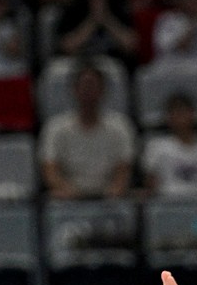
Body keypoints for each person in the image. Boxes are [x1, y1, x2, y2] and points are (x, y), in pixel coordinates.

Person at [39, 62, 136, 199]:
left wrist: (113, 193)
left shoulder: (121, 126)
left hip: (109, 199)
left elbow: (123, 170)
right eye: (84, 85)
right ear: (74, 89)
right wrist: (68, 191)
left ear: (103, 90)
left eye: (93, 86)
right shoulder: (55, 127)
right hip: (69, 198)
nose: (88, 91)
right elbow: (50, 170)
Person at [143, 94, 197, 198]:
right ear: (168, 117)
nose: (180, 118)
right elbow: (151, 181)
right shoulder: (157, 146)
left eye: (184, 112)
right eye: (175, 113)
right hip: (168, 200)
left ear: (193, 114)